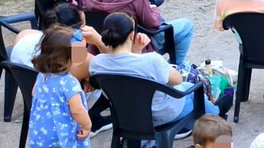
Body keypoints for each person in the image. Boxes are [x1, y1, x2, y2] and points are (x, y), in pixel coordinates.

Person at [89, 13, 217, 132]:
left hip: (127, 116)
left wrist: (136, 52)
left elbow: (125, 67)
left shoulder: (96, 64)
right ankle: (217, 114)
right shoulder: (151, 60)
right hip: (162, 115)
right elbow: (177, 79)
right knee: (190, 88)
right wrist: (140, 53)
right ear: (131, 35)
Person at [27, 26, 94, 148]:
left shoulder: (43, 76)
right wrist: (88, 126)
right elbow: (77, 110)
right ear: (67, 57)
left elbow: (33, 94)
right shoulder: (69, 83)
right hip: (59, 135)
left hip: (41, 131)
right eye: (81, 49)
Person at [11, 1, 105, 83]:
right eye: (84, 27)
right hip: (72, 102)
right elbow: (114, 69)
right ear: (75, 33)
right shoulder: (82, 60)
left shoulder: (24, 36)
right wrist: (99, 41)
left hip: (36, 99)